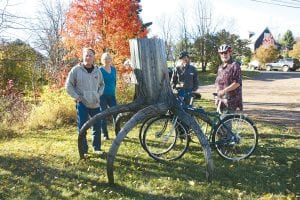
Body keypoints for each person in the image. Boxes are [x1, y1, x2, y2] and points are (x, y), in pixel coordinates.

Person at [65, 47, 105, 156]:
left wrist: (98, 94)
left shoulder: (98, 71)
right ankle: (84, 150)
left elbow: (102, 85)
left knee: (97, 126)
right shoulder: (76, 70)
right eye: (86, 55)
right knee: (82, 127)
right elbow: (68, 86)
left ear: (93, 57)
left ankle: (97, 148)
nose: (88, 57)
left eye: (90, 55)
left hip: (95, 103)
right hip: (82, 103)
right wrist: (77, 97)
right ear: (83, 57)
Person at [215, 44, 243, 113]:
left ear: (230, 53)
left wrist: (224, 91)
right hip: (221, 100)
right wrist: (217, 97)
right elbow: (218, 83)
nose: (224, 55)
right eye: (221, 53)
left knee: (226, 121)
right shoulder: (220, 67)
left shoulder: (235, 65)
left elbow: (237, 83)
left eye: (225, 52)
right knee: (220, 122)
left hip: (231, 100)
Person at [99, 52, 117, 140]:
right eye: (105, 59)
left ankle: (118, 132)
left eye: (108, 58)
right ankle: (105, 134)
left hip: (112, 95)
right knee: (103, 115)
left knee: (116, 114)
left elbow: (115, 82)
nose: (107, 60)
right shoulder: (100, 70)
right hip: (102, 96)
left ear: (111, 60)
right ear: (102, 60)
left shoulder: (114, 69)